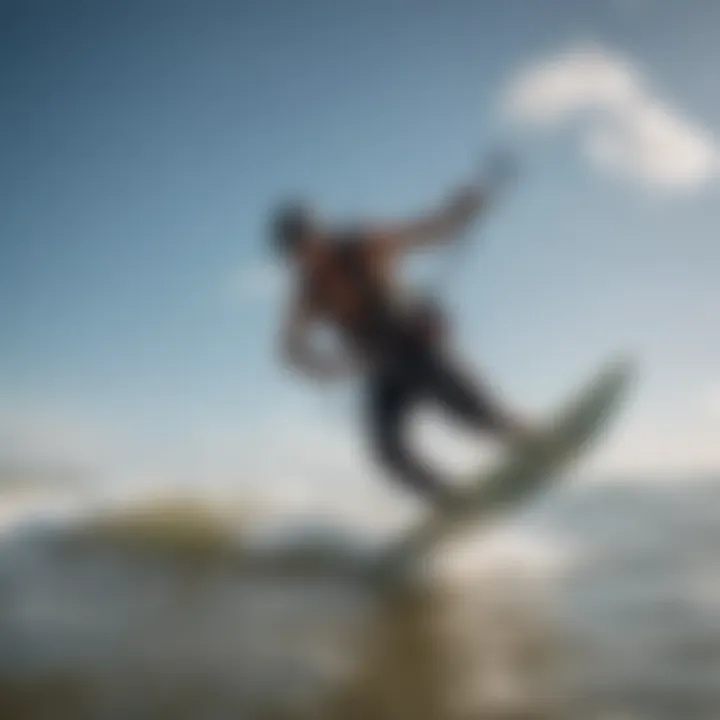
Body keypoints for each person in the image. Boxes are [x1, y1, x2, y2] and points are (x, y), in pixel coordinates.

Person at [272, 171, 536, 507]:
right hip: (382, 369)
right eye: (296, 253)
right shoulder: (307, 293)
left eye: (307, 243)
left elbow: (425, 232)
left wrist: (462, 211)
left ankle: (531, 442)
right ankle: (453, 503)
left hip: (416, 346)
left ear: (318, 233)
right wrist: (329, 368)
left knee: (472, 414)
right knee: (387, 450)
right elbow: (290, 349)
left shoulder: (364, 245)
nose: (306, 256)